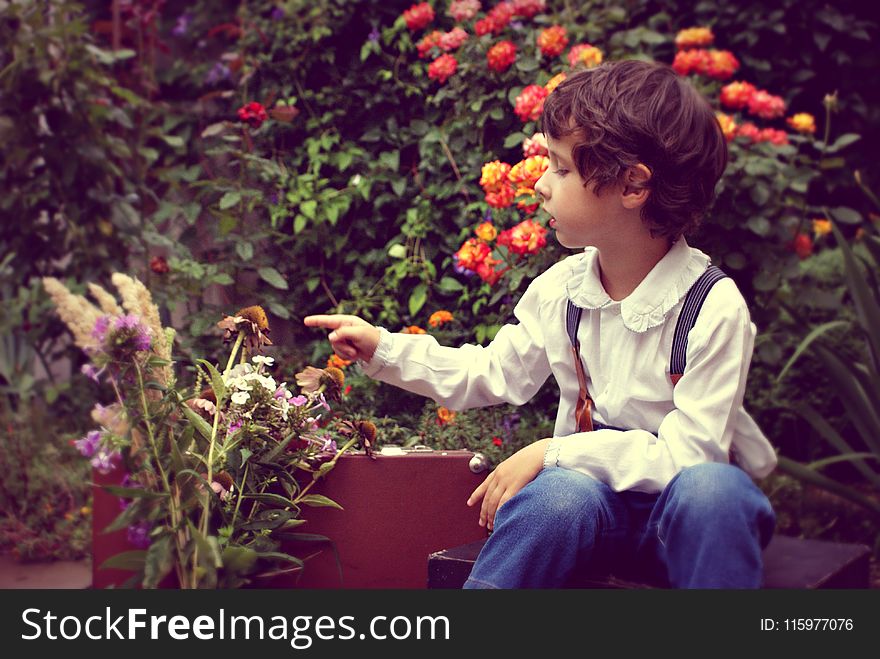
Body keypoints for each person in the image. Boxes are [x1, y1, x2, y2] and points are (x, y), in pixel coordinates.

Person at [304, 59, 777, 589]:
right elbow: (488, 373)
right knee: (555, 494)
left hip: (685, 526)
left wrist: (553, 450)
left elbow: (690, 456)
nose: (540, 185)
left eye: (561, 167)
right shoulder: (565, 289)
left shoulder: (712, 306)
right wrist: (382, 350)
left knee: (715, 490)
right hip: (591, 514)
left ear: (633, 185)